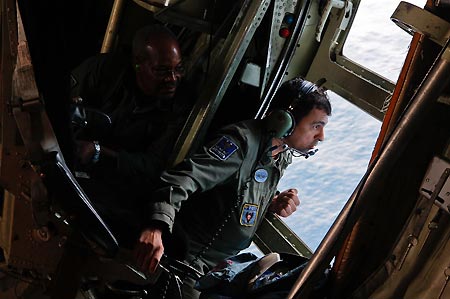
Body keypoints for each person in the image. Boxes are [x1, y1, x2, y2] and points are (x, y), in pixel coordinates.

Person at [134, 76, 332, 298]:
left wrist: (272, 202)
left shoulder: (279, 154)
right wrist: (155, 226)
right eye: (316, 126)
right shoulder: (240, 144)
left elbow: (243, 187)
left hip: (221, 268)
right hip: (188, 265)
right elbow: (182, 179)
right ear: (285, 121)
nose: (321, 137)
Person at [69, 24, 193, 244]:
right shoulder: (102, 72)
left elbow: (154, 166)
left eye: (178, 69)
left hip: (117, 184)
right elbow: (58, 110)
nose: (172, 78)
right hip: (68, 161)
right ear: (138, 64)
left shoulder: (179, 107)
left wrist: (100, 153)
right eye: (162, 70)